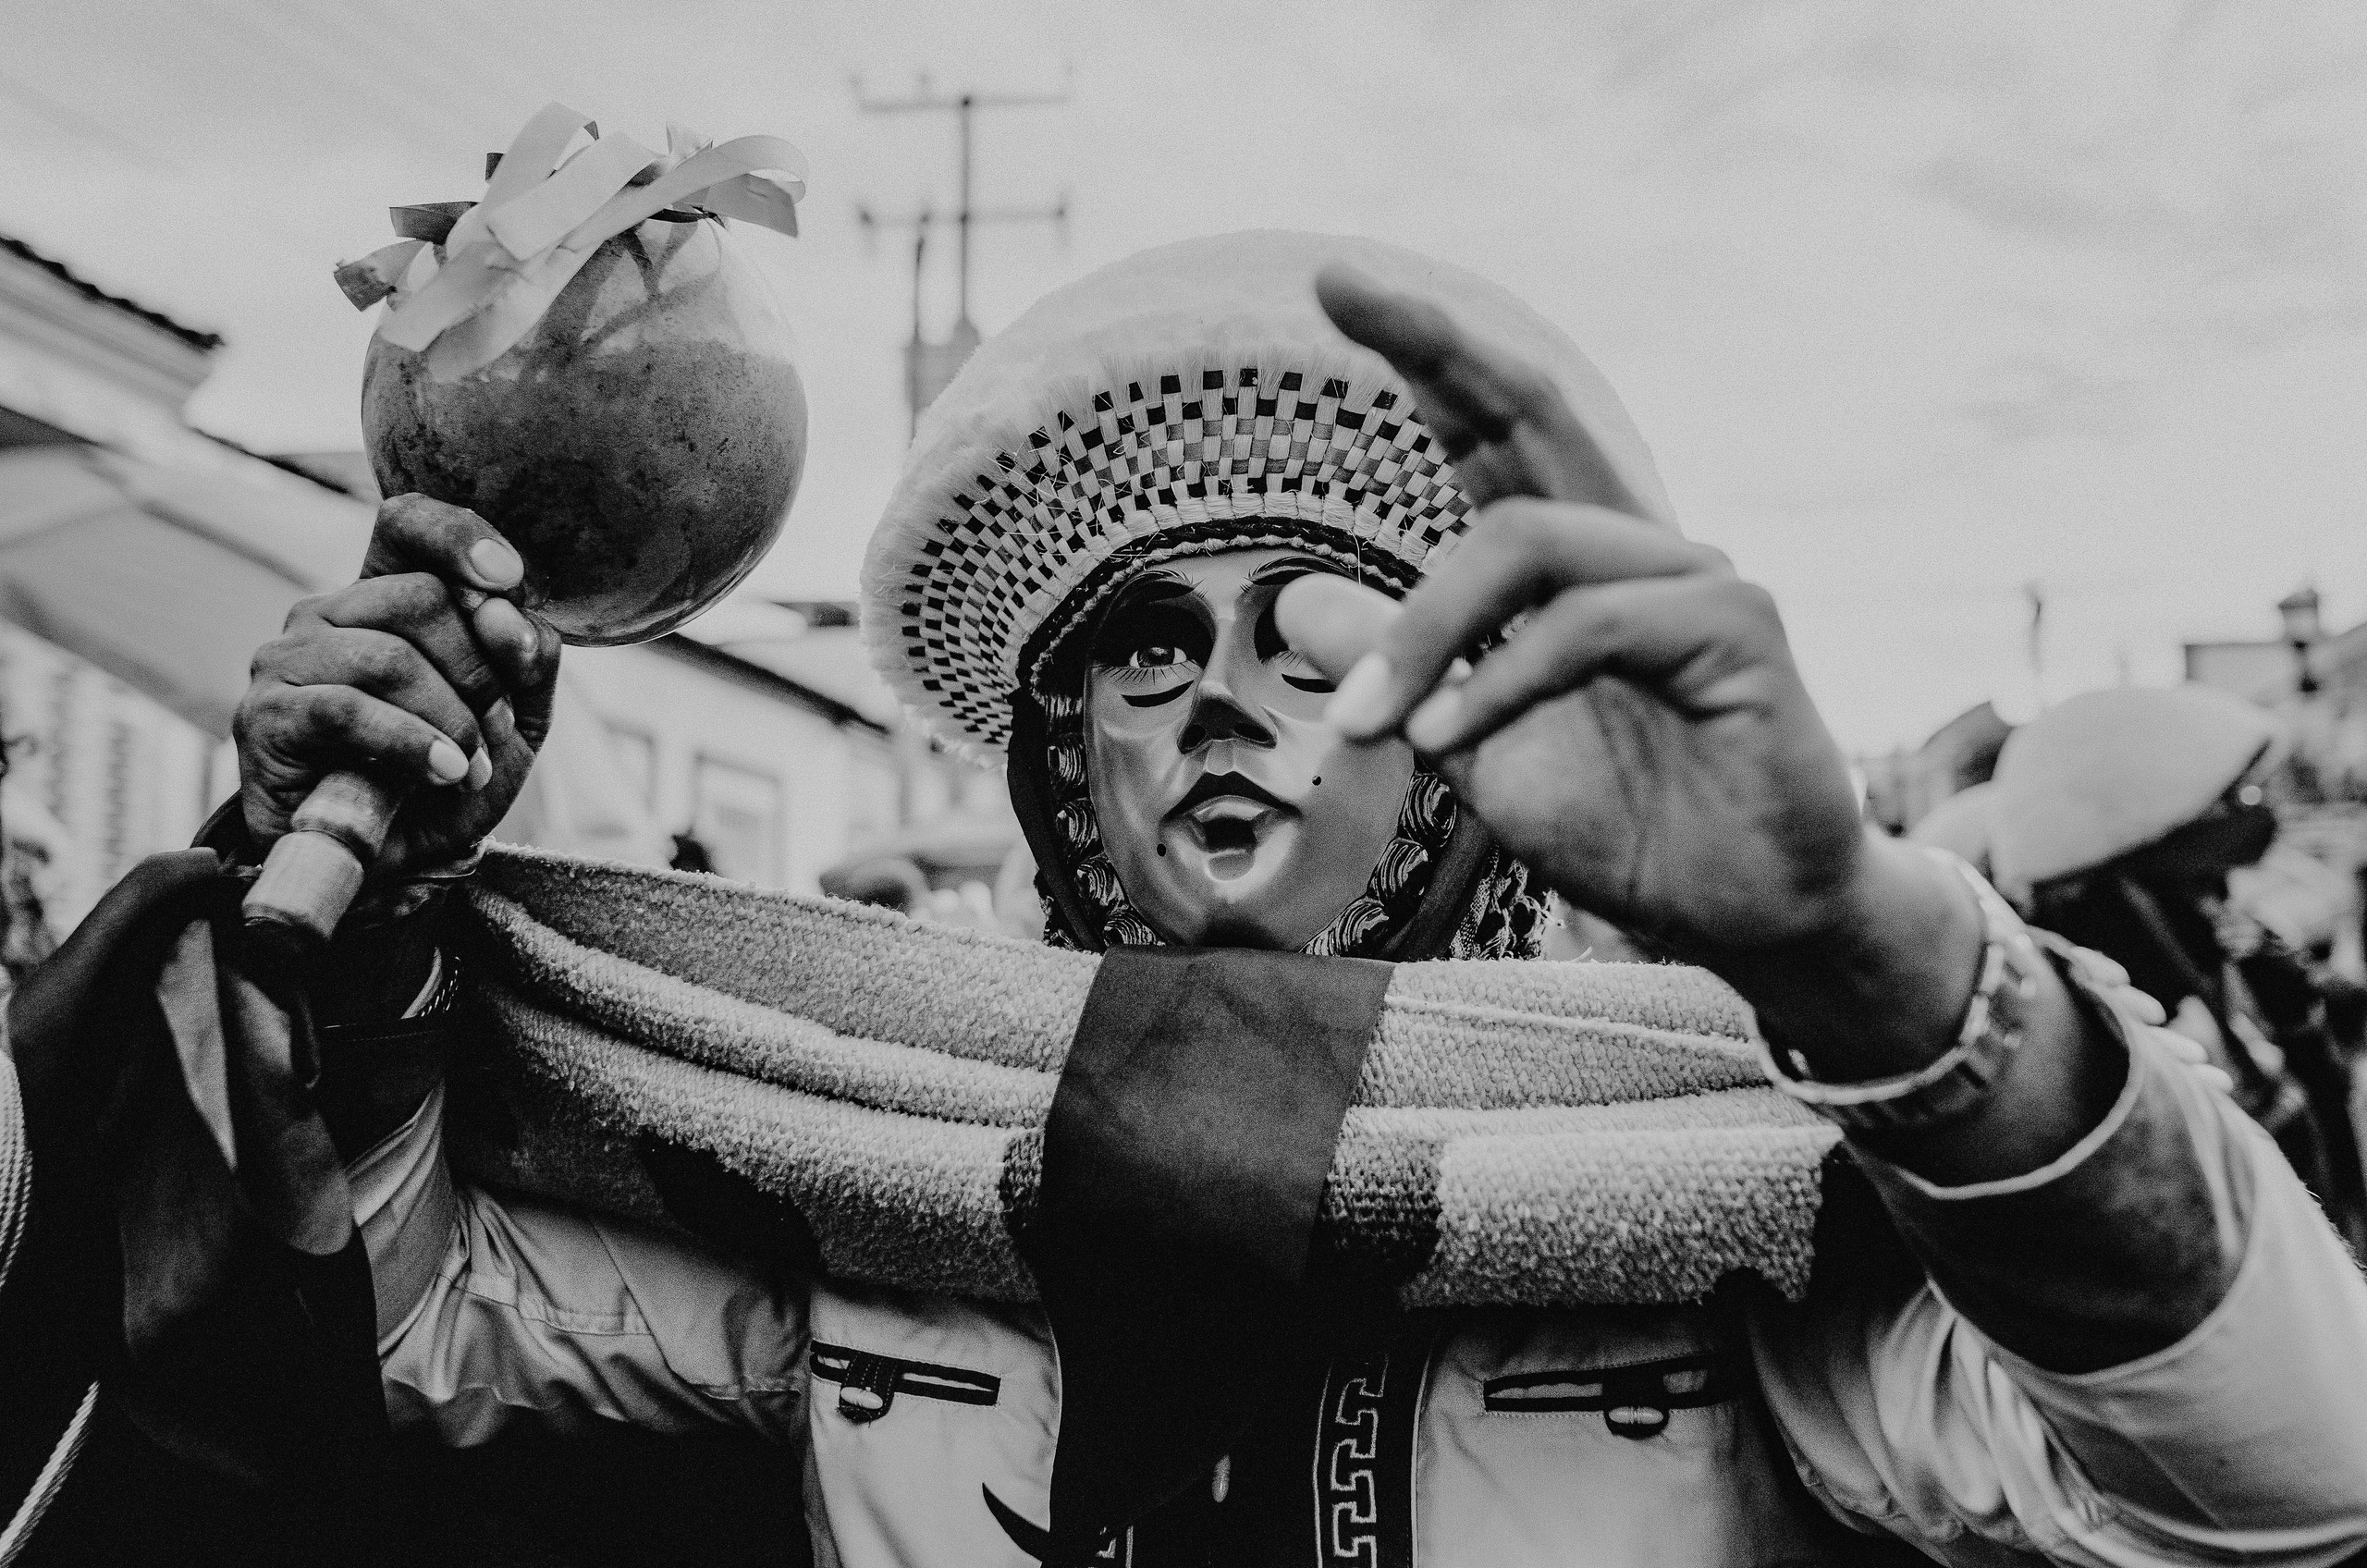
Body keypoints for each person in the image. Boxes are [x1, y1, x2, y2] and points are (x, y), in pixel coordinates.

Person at [228, 232, 2367, 1566]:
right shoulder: (879, 1167)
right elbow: (410, 1334)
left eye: (1324, 637)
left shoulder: (1704, 1192)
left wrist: (1857, 952)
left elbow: (2279, 1486)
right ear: (1060, 762)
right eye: (1145, 647)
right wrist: (388, 916)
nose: (1227, 700)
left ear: (1466, 734)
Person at [1989, 684, 2367, 1252]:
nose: (2216, 906)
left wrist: (2300, 1018)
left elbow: (2312, 1085)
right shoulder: (2099, 986)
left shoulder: (2215, 933)